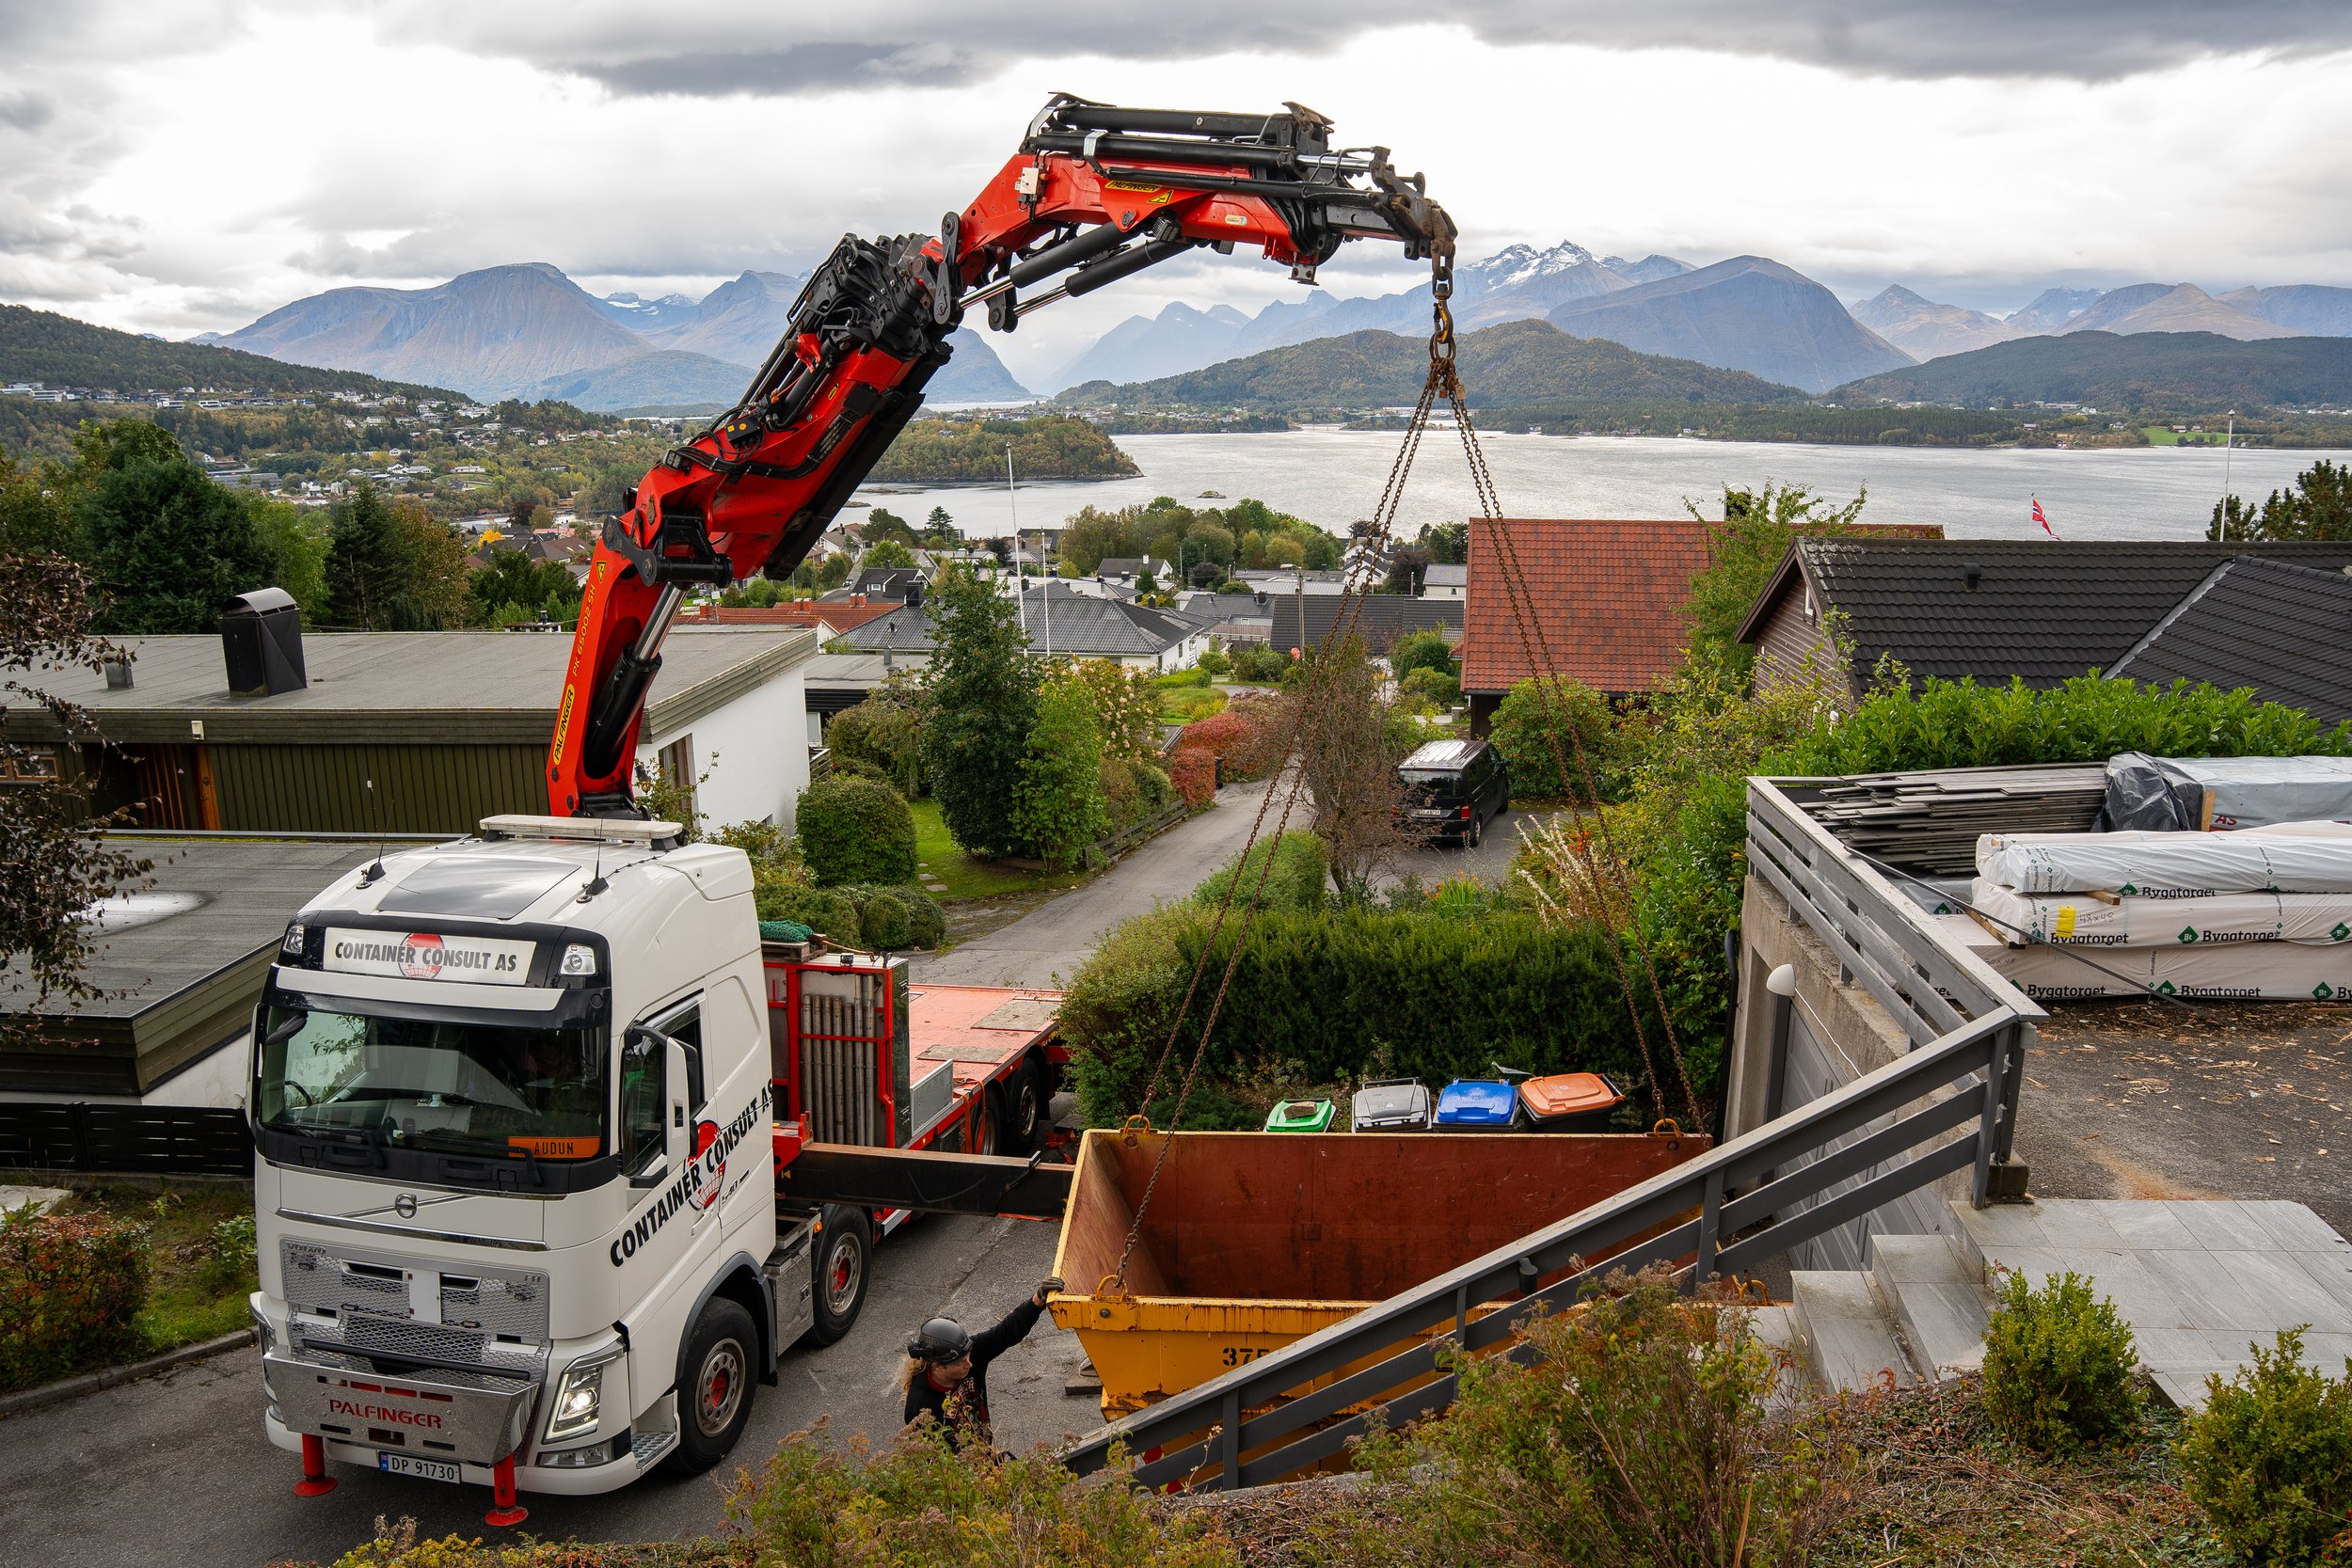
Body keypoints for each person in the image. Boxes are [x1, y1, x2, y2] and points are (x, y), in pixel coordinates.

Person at [898, 1275, 1063, 1450]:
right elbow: (932, 1463)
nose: (969, 1365)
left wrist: (1037, 1301)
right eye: (960, 1363)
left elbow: (1005, 1332)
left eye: (968, 1356)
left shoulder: (969, 1355)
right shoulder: (920, 1407)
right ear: (937, 1366)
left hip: (985, 1456)